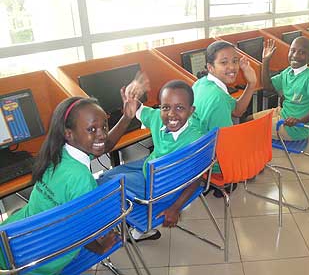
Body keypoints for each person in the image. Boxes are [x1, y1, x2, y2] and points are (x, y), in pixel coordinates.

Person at [0, 90, 137, 274]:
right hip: (44, 259)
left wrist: (127, 117)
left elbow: (105, 144)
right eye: (92, 129)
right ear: (69, 134)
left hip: (12, 239)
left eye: (104, 126)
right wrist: (100, 248)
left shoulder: (57, 153)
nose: (103, 134)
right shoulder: (81, 178)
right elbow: (81, 230)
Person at [98, 79, 204, 241]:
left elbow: (197, 179)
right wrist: (132, 99)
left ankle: (133, 224)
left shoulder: (194, 140)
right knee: (105, 176)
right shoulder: (157, 118)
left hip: (161, 189)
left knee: (104, 184)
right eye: (166, 107)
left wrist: (176, 208)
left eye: (180, 108)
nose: (171, 114)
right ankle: (132, 221)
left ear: (191, 110)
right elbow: (139, 109)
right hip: (152, 167)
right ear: (160, 108)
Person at [190, 40, 257, 196]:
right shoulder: (217, 99)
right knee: (255, 160)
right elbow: (226, 145)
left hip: (198, 152)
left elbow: (237, 111)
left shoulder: (202, 83)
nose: (232, 67)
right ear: (210, 67)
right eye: (224, 62)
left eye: (235, 61)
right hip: (211, 160)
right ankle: (222, 179)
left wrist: (252, 83)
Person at [254, 36, 309, 141]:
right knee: (248, 120)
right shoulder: (288, 72)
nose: (295, 55)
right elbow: (268, 86)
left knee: (250, 128)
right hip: (284, 113)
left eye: (302, 52)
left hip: (295, 128)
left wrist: (299, 121)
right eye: (292, 51)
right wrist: (265, 61)